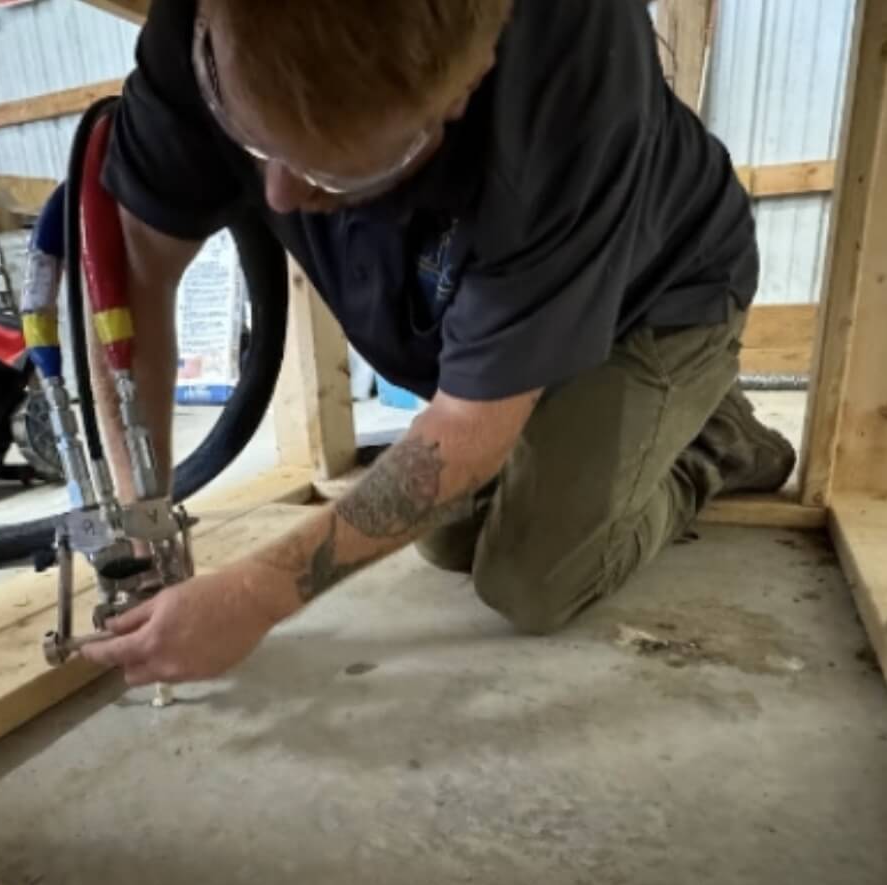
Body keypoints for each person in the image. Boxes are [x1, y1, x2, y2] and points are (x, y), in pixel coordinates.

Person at [82, 0, 796, 688]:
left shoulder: (568, 83)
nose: (275, 196)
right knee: (444, 540)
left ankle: (715, 438)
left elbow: (466, 426)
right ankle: (577, 419)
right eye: (251, 141)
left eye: (331, 175)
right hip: (510, 311)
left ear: (467, 81)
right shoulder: (204, 32)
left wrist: (252, 595)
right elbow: (137, 282)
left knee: (531, 580)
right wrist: (141, 513)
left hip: (658, 296)